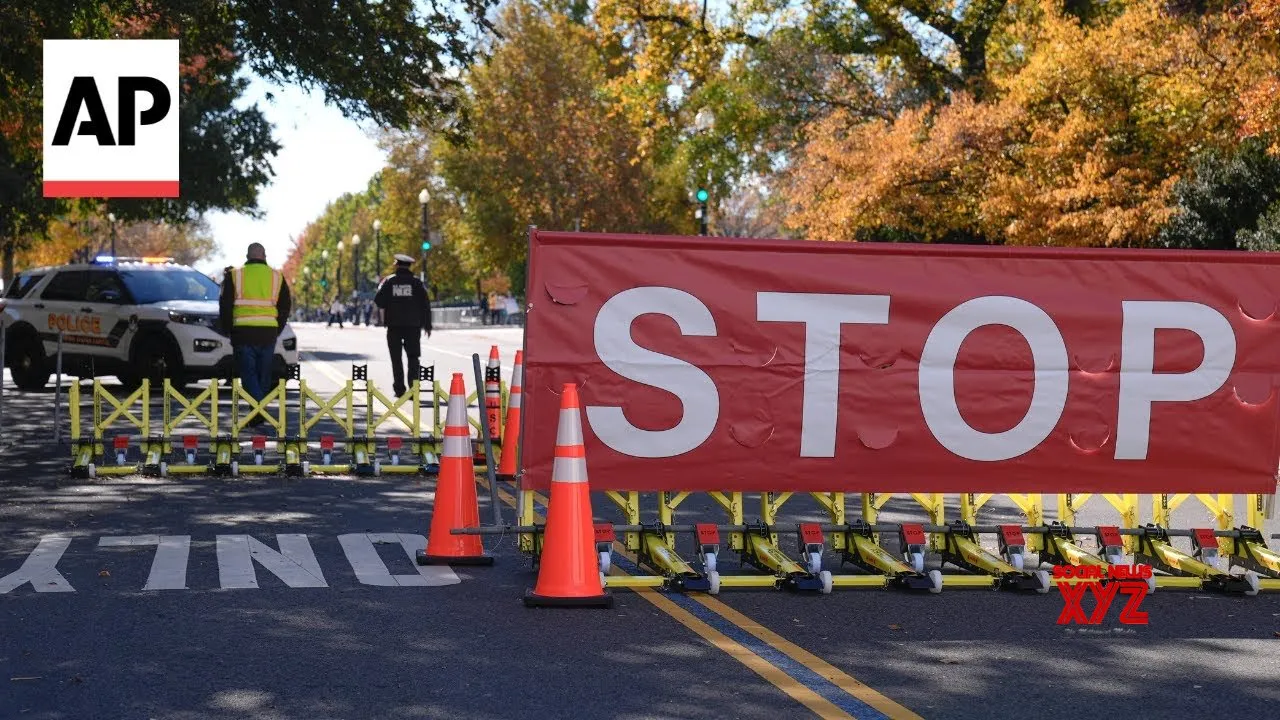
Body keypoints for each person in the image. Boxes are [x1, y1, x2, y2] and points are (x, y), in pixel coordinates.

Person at [218, 242, 291, 414]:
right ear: (264, 256)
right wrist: (277, 327)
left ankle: (258, 409)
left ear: (247, 257)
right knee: (263, 375)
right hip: (268, 333)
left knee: (248, 374)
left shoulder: (235, 275)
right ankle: (258, 410)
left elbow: (225, 305)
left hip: (243, 332)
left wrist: (228, 329)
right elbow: (285, 305)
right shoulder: (277, 276)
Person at [374, 253, 432, 397]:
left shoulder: (389, 282)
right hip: (413, 326)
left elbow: (379, 301)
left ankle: (399, 389)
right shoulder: (417, 283)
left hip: (394, 326)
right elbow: (425, 305)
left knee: (396, 358)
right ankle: (413, 389)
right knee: (413, 357)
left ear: (396, 265)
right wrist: (427, 325)